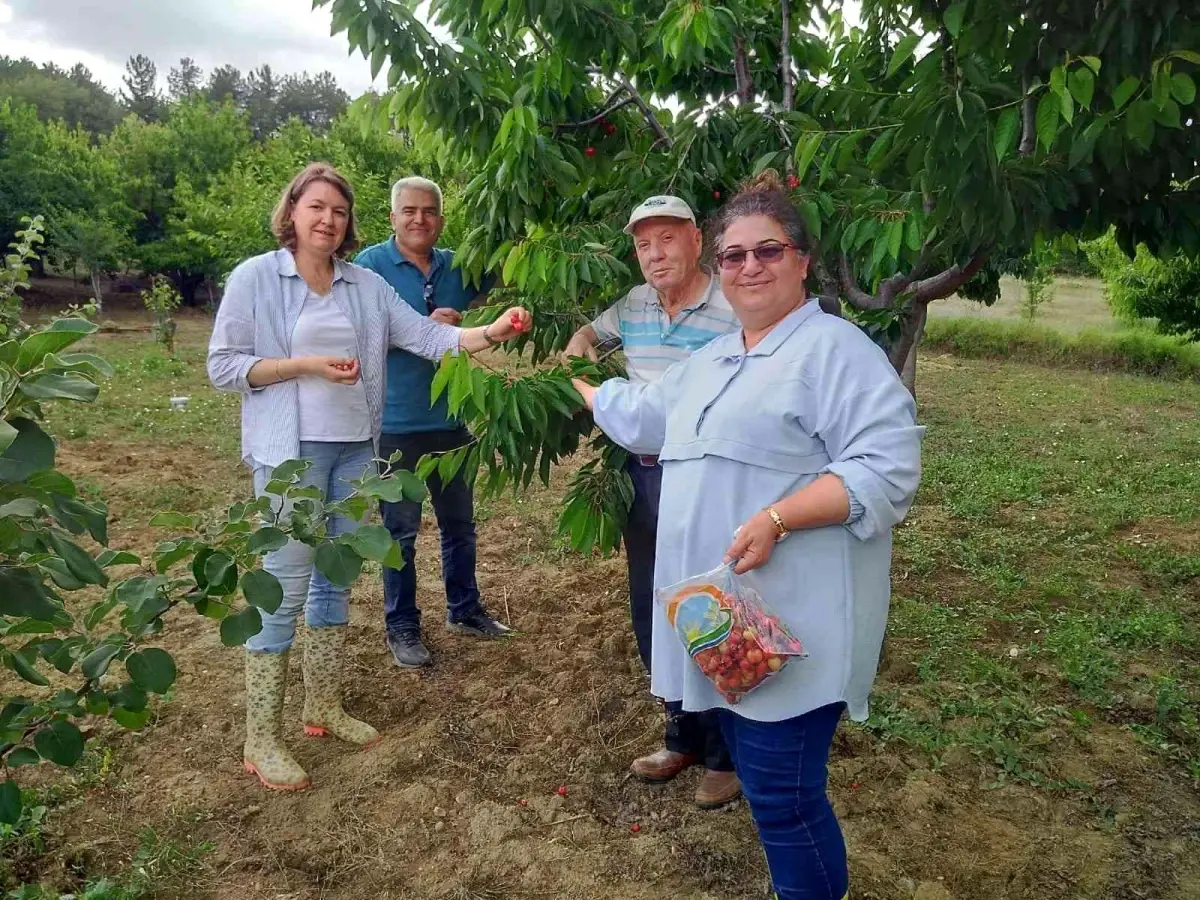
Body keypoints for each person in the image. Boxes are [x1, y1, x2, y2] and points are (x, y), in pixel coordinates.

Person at [571, 171, 923, 900]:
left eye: (769, 250)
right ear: (720, 269)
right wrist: (574, 381)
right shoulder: (716, 357)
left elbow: (887, 469)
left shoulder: (836, 351)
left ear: (802, 261)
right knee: (771, 792)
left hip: (793, 624)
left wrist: (778, 518)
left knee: (784, 802)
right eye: (734, 256)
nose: (750, 266)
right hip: (727, 623)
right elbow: (642, 415)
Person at [207, 162, 531, 792]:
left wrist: (492, 330)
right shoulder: (257, 276)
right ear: (293, 212)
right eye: (316, 208)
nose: (327, 220)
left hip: (359, 450)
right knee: (284, 585)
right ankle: (260, 737)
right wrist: (304, 365)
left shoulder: (364, 285)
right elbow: (223, 367)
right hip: (292, 454)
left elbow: (427, 339)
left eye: (338, 211)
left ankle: (322, 706)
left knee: (335, 580)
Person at [564, 195, 742, 810]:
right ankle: (680, 732)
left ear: (696, 240)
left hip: (706, 477)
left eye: (667, 239)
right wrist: (580, 344)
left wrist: (593, 391)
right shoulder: (635, 305)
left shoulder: (730, 302)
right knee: (653, 603)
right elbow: (587, 332)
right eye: (644, 244)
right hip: (642, 477)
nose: (655, 254)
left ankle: (725, 754)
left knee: (710, 603)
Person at [355, 176, 509, 669]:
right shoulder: (369, 268)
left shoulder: (457, 267)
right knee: (399, 533)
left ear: (441, 219)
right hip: (394, 423)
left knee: (459, 525)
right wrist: (419, 334)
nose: (419, 219)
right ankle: (401, 626)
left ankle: (465, 609)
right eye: (409, 210)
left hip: (450, 419)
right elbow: (352, 337)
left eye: (429, 211)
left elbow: (508, 261)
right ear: (393, 216)